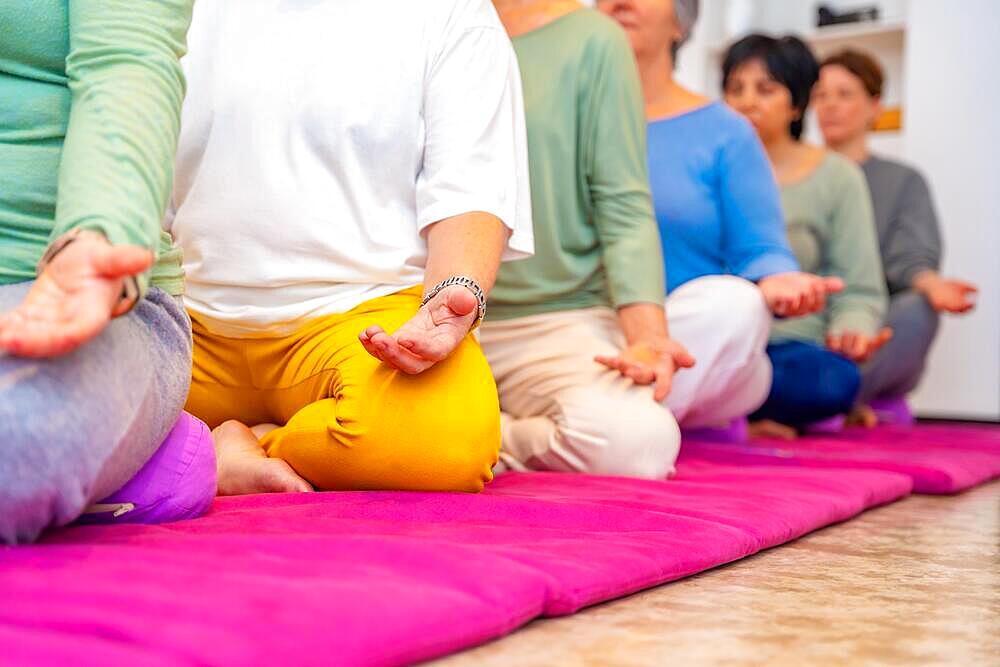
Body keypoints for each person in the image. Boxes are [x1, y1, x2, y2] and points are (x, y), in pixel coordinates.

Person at [168, 0, 533, 494]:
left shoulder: (453, 12)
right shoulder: (167, 9)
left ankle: (232, 446)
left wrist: (452, 294)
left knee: (442, 441)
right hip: (187, 327)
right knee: (53, 405)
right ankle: (229, 447)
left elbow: (470, 190)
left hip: (364, 324)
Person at [0, 1, 196, 543]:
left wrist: (94, 237)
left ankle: (138, 439)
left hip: (79, 300)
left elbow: (127, 63)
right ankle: (130, 460)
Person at [599, 0, 843, 430]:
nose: (620, 1)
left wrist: (776, 279)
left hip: (682, 331)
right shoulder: (564, 117)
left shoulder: (725, 130)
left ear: (682, 23)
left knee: (738, 306)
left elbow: (760, 246)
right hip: (586, 325)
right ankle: (622, 423)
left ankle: (620, 420)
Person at [483, 0, 692, 479]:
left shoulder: (595, 39)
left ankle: (486, 437)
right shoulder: (424, 25)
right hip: (426, 317)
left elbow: (623, 204)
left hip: (556, 321)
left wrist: (646, 338)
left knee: (638, 443)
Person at [722, 34, 890, 438]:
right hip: (715, 344)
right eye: (735, 89)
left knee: (832, 381)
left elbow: (859, 287)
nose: (747, 102)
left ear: (797, 102)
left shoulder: (838, 177)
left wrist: (852, 328)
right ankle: (734, 415)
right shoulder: (710, 168)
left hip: (790, 351)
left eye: (765, 89)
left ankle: (724, 413)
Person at [814, 48, 978, 421]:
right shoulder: (794, 175)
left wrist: (930, 282)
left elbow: (910, 256)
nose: (830, 106)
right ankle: (825, 397)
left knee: (918, 311)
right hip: (807, 322)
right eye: (820, 96)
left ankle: (832, 396)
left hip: (869, 328)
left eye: (844, 94)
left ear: (875, 105)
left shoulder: (903, 182)